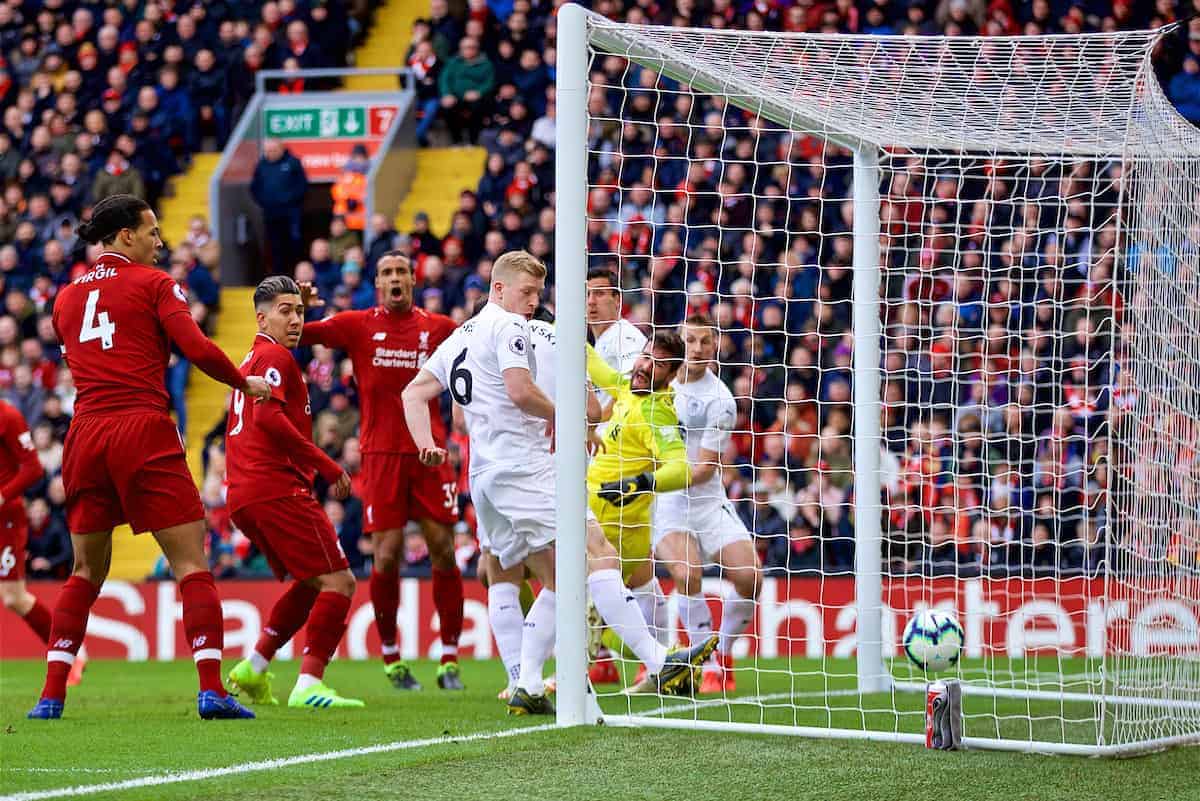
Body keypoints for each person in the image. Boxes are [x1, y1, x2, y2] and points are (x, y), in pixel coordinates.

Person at [402, 250, 717, 714]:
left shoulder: (462, 333)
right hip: (525, 469)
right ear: (499, 289)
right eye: (525, 292)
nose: (531, 302)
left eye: (536, 294)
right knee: (597, 556)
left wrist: (426, 443)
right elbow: (525, 393)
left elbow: (414, 392)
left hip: (485, 476)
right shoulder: (514, 328)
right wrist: (567, 413)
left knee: (550, 577)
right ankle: (660, 660)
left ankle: (526, 684)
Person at [28, 194, 270, 721]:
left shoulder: (66, 298)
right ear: (124, 237)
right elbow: (197, 347)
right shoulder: (155, 285)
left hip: (86, 434)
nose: (161, 242)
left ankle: (51, 696)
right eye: (152, 232)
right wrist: (242, 382)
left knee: (85, 570)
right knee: (190, 563)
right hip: (142, 426)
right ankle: (211, 689)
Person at [299, 251, 466, 691]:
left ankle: (449, 659)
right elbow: (299, 334)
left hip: (429, 453)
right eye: (387, 273)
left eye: (402, 272)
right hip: (381, 456)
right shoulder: (357, 324)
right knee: (387, 554)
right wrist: (297, 306)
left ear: (413, 279)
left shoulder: (439, 328)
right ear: (377, 282)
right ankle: (392, 657)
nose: (395, 279)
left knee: (443, 550)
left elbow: (480, 348)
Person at [222, 276, 362, 710]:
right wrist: (326, 462)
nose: (296, 319)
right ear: (261, 318)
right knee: (340, 581)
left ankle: (255, 666)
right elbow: (267, 421)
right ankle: (309, 683)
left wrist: (296, 302)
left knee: (310, 580)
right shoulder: (275, 356)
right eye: (286, 311)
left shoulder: (254, 357)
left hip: (244, 492)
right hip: (275, 486)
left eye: (299, 311)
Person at [652, 316, 762, 693]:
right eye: (690, 341)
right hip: (667, 502)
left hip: (707, 500)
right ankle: (707, 664)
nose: (697, 349)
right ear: (679, 344)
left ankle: (725, 655)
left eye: (704, 342)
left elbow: (702, 471)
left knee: (751, 577)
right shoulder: (655, 386)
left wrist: (647, 477)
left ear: (714, 347)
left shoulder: (721, 401)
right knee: (687, 574)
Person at [585, 328, 693, 688]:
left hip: (618, 524)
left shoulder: (654, 412)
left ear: (673, 374)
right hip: (601, 517)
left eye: (658, 364)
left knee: (581, 601)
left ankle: (662, 660)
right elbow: (591, 361)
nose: (646, 366)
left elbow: (681, 468)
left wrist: (642, 482)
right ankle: (670, 664)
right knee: (632, 599)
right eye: (646, 356)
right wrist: (550, 322)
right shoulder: (626, 388)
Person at [0, 399, 52, 656]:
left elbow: (33, 468)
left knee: (13, 597)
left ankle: (67, 652)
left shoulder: (7, 415)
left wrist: (2, 494)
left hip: (5, 517)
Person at [250, 139, 309, 275]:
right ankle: (279, 278)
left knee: (294, 246)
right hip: (270, 215)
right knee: (274, 248)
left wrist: (290, 200)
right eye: (267, 151)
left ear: (281, 149)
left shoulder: (293, 162)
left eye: (272, 150)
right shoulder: (261, 165)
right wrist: (265, 201)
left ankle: (297, 275)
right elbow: (254, 188)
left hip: (291, 215)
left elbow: (302, 186)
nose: (269, 154)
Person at [330, 145, 368, 232]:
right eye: (356, 157)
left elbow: (369, 193)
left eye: (361, 157)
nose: (359, 160)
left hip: (363, 219)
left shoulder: (370, 173)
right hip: (343, 219)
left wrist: (357, 198)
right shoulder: (345, 173)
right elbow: (336, 191)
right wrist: (348, 198)